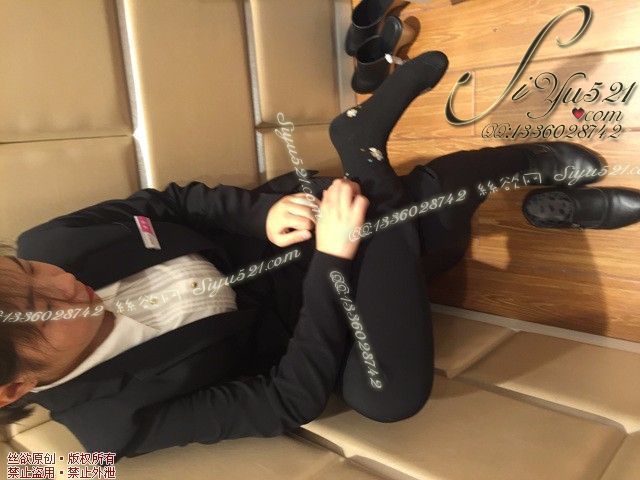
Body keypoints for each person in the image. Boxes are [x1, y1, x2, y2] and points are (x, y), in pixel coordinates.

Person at [0, 51, 604, 461]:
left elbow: (169, 203)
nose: (63, 282)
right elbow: (287, 400)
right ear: (14, 388)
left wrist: (257, 214)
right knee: (387, 393)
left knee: (422, 231)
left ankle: (515, 167)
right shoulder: (113, 424)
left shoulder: (52, 243)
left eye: (29, 272)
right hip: (316, 314)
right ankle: (367, 152)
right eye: (44, 309)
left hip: (286, 230)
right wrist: (334, 264)